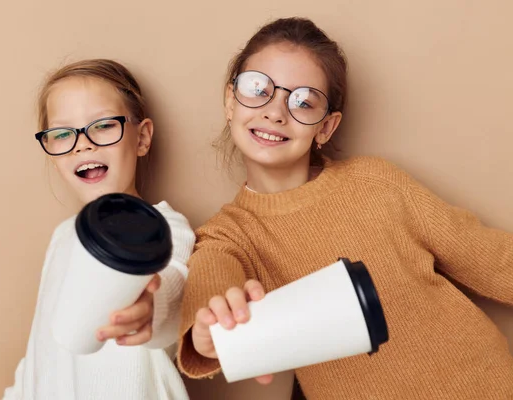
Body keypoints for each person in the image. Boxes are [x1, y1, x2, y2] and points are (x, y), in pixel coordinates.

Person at [177, 17, 513, 399]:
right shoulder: (228, 234)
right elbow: (211, 281)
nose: (275, 112)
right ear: (229, 101)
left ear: (326, 127)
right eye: (258, 89)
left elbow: (491, 258)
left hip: (487, 384)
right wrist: (208, 329)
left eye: (303, 101)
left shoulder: (376, 182)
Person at [3, 59, 194, 400]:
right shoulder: (63, 237)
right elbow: (41, 350)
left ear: (142, 138)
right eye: (62, 133)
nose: (83, 144)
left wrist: (150, 311)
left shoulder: (163, 227)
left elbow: (171, 289)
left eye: (103, 125)